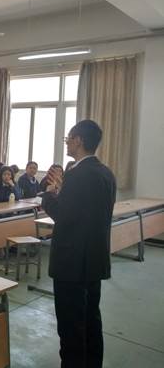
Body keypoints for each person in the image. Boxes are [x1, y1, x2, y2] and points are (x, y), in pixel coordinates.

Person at [41, 120, 116, 368]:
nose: (67, 143)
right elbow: (85, 211)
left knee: (71, 326)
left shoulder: (76, 174)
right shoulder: (106, 173)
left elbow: (64, 216)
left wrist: (49, 196)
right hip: (94, 259)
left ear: (79, 140)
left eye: (69, 139)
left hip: (71, 262)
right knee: (91, 320)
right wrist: (63, 191)